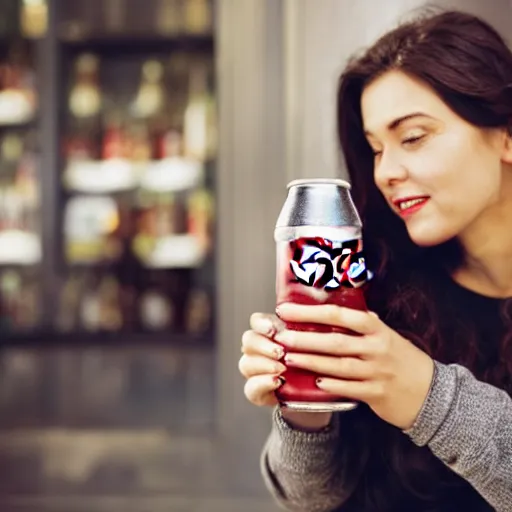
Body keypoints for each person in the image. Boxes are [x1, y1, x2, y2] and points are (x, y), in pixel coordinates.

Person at [238, 9, 512, 512]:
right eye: (374, 149)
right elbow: (309, 498)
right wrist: (305, 405)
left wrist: (430, 400)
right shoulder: (373, 283)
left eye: (412, 137)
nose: (385, 172)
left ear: (506, 135)